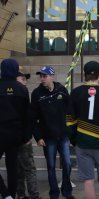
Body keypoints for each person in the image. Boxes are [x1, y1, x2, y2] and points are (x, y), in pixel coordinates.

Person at [66, 61, 99, 199]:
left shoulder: (75, 93)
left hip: (83, 143)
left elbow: (70, 121)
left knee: (88, 181)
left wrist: (75, 140)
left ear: (84, 75)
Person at [31, 66, 74, 199]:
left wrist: (70, 131)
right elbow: (33, 118)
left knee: (67, 164)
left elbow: (70, 111)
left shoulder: (61, 90)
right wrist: (38, 137)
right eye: (41, 76)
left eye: (45, 76)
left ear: (52, 77)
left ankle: (67, 192)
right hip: (48, 137)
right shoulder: (36, 93)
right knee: (50, 166)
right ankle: (54, 194)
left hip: (63, 135)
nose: (42, 79)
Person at [0, 59, 30, 199]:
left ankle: (5, 195)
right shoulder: (22, 89)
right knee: (12, 168)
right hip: (16, 134)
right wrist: (26, 135)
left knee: (12, 167)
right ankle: (11, 194)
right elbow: (27, 115)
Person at [16, 70, 41, 199]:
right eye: (23, 79)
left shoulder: (23, 92)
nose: (26, 82)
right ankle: (31, 195)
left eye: (26, 79)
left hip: (21, 137)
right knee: (27, 169)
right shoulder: (20, 93)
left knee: (22, 169)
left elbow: (29, 117)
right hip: (18, 138)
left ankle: (22, 194)